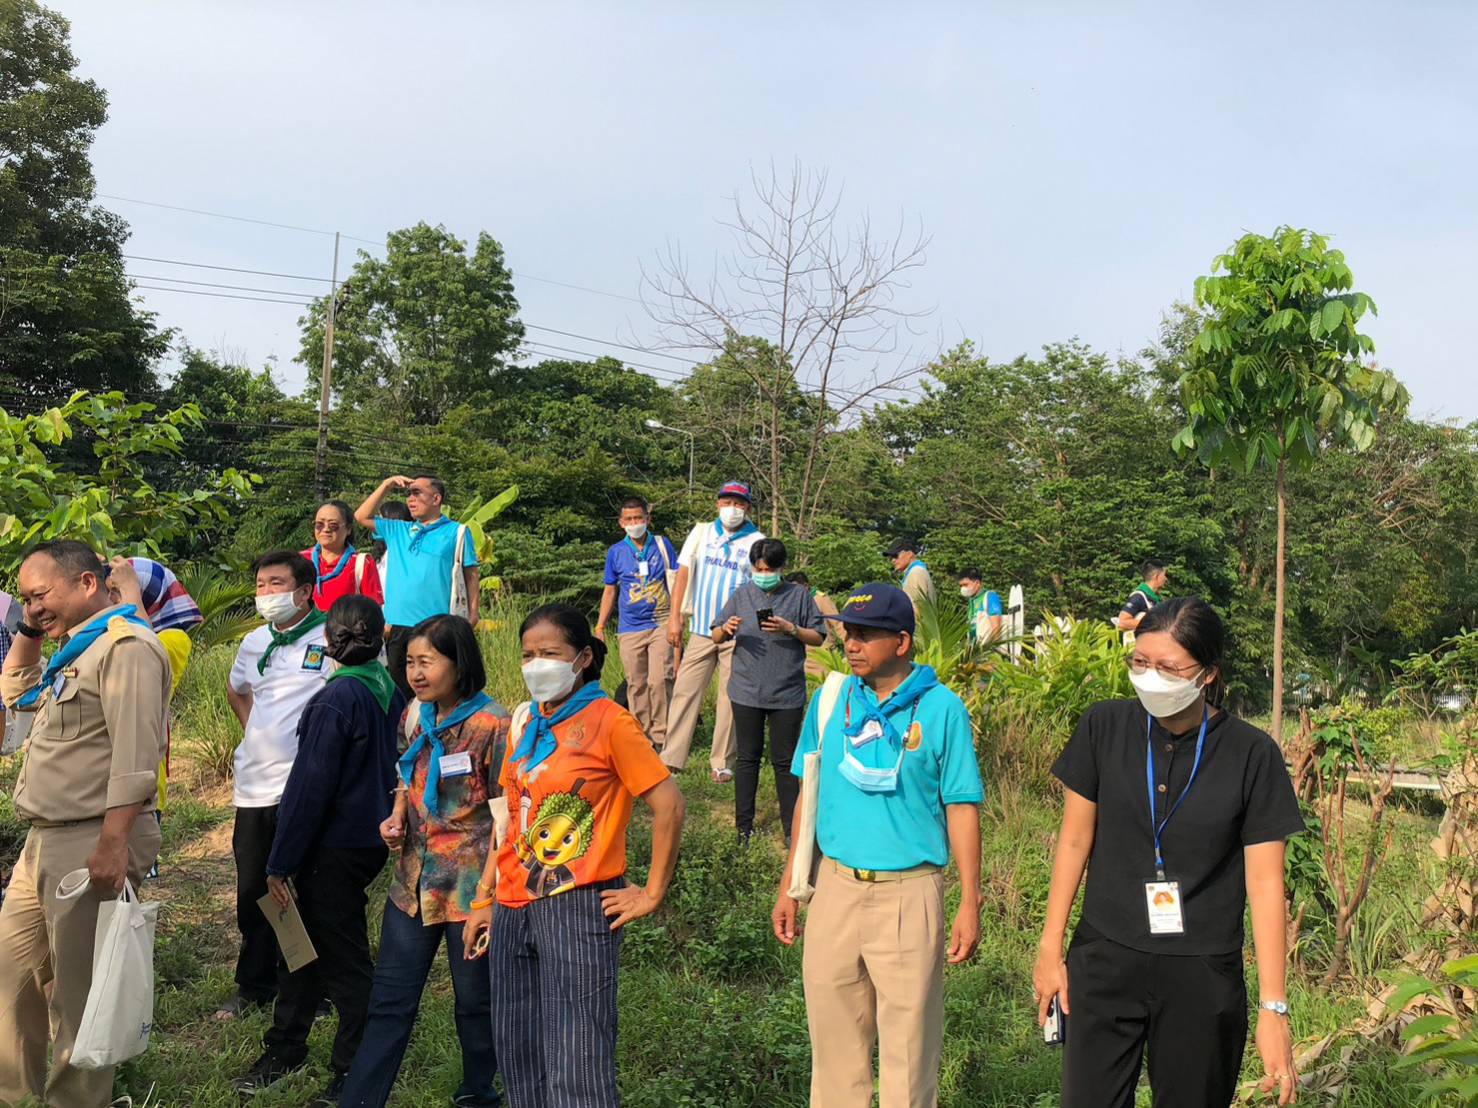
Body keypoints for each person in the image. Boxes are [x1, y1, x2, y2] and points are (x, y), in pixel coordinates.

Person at [1034, 596, 1304, 1107]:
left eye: (1168, 667)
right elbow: (1074, 840)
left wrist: (1274, 1007)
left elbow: (1266, 884)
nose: (1150, 677)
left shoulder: (1251, 755)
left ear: (1207, 675)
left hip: (1201, 976)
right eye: (1141, 662)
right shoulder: (1103, 728)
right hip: (1104, 958)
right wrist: (1051, 945)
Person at [772, 583, 984, 1108]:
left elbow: (961, 805)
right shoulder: (831, 701)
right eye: (849, 632)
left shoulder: (941, 710)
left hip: (909, 895)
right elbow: (807, 796)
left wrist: (971, 902)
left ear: (903, 642)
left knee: (909, 1058)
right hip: (835, 890)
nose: (852, 643)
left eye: (867, 635)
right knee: (834, 1052)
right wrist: (790, 885)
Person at [490, 604, 686, 1106]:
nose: (537, 664)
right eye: (528, 655)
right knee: (519, 1049)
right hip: (511, 902)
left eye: (550, 653)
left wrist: (651, 892)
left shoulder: (609, 722)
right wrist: (482, 897)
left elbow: (669, 805)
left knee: (578, 1055)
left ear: (581, 658)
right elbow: (510, 817)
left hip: (577, 904)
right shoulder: (524, 720)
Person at [0, 541, 169, 1108]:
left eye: (41, 594)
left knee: (79, 992)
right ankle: (15, 1095)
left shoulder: (127, 647)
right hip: (43, 840)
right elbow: (13, 693)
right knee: (12, 977)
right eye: (26, 598)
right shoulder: (74, 650)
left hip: (91, 835)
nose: (34, 607)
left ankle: (77, 1103)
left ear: (88, 584)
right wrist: (29, 622)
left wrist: (112, 844)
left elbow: (136, 758)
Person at [233, 597, 406, 1102]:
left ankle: (356, 1069)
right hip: (364, 839)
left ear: (328, 643)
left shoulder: (334, 700)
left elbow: (309, 790)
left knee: (341, 960)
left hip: (329, 846)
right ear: (381, 637)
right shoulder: (387, 692)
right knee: (299, 950)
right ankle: (287, 1045)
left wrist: (280, 861)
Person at [339, 615, 508, 1108]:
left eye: (427, 662)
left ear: (460, 663)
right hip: (411, 885)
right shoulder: (416, 715)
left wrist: (490, 895)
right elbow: (404, 770)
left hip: (470, 889)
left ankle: (478, 1091)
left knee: (475, 1004)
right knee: (389, 1003)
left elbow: (506, 813)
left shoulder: (492, 724)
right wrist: (395, 818)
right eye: (410, 662)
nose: (415, 672)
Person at [218, 550, 330, 1021]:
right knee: (253, 892)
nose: (266, 594)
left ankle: (308, 988)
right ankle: (254, 984)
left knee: (307, 891)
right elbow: (236, 690)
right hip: (253, 786)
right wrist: (255, 733)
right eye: (261, 584)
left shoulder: (332, 636)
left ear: (304, 591)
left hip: (305, 788)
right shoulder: (253, 642)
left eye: (276, 583)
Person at [712, 539, 825, 846]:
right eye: (759, 568)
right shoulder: (742, 594)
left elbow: (818, 637)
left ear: (781, 568)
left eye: (770, 568)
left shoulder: (800, 596)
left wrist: (791, 629)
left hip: (786, 693)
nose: (764, 573)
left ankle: (792, 830)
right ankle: (743, 829)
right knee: (747, 759)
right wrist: (727, 629)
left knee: (785, 761)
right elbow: (715, 634)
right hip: (746, 690)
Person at [662, 481, 766, 781]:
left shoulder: (756, 539)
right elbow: (683, 573)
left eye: (738, 503)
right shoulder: (702, 531)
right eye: (726, 502)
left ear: (746, 507)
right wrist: (675, 617)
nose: (732, 508)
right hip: (701, 627)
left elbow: (761, 584)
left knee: (730, 697)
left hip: (739, 632)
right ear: (717, 503)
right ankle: (671, 758)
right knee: (684, 691)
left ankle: (721, 761)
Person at [355, 475, 479, 698]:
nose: (410, 499)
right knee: (399, 690)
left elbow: (471, 574)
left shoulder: (456, 532)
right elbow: (361, 516)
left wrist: (473, 613)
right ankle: (403, 732)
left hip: (435, 625)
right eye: (408, 494)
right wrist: (386, 485)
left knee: (435, 690)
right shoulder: (398, 530)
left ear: (436, 498)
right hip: (397, 625)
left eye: (417, 493)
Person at [594, 497, 678, 748]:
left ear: (647, 519)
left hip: (661, 623)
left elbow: (675, 582)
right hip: (629, 628)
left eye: (638, 518)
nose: (634, 523)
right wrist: (600, 626)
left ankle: (662, 736)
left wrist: (677, 620)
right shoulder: (616, 552)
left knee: (659, 680)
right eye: (629, 519)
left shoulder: (662, 546)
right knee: (636, 683)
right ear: (621, 523)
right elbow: (610, 591)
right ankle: (641, 735)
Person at [302, 499, 384, 613]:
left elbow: (373, 612)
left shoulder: (361, 564)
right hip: (307, 630)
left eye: (333, 525)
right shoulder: (301, 560)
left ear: (348, 529)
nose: (325, 529)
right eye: (319, 524)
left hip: (344, 629)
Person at [373, 500, 412, 612]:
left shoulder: (403, 553)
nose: (375, 524)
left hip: (396, 616)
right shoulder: (382, 553)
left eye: (380, 519)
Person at [886, 538, 936, 622]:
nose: (893, 560)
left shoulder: (916, 573)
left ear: (909, 554)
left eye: (895, 556)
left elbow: (916, 610)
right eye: (891, 557)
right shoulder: (916, 571)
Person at [1114, 560, 1169, 636]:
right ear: (1157, 576)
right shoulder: (1138, 596)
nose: (1166, 579)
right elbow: (1122, 622)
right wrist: (1152, 624)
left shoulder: (1155, 598)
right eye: (1165, 575)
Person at [958, 568, 1003, 645]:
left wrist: (994, 647)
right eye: (961, 586)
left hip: (987, 649)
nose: (963, 588)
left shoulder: (990, 597)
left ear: (977, 583)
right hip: (975, 649)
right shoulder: (971, 601)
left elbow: (996, 626)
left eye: (965, 585)